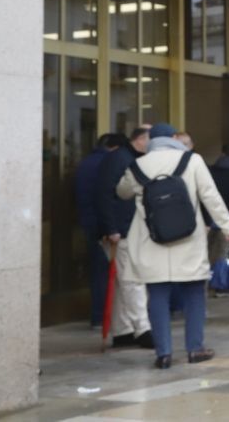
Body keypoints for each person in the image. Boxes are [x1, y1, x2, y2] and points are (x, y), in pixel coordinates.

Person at [115, 123, 229, 369]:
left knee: (158, 295)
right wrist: (228, 227)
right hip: (188, 238)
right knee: (194, 292)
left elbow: (122, 192)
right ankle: (195, 349)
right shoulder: (192, 160)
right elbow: (210, 195)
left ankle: (164, 353)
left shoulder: (138, 164)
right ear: (174, 138)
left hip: (152, 240)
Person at [94, 125, 153, 349]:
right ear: (141, 139)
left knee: (122, 281)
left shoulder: (126, 157)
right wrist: (112, 229)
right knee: (132, 278)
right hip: (122, 231)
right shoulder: (120, 159)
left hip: (127, 229)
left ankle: (122, 330)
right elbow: (105, 194)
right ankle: (142, 328)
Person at [74, 133, 124, 328]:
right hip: (106, 226)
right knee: (109, 273)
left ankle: (98, 316)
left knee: (98, 272)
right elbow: (108, 198)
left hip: (88, 223)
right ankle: (106, 317)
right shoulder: (108, 165)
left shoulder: (86, 163)